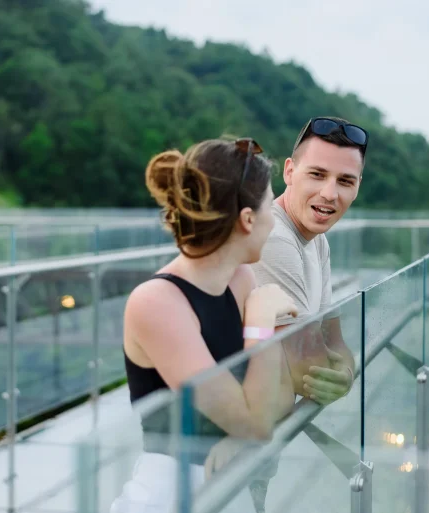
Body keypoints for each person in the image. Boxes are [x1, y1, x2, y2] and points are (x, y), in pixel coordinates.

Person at [111, 137, 299, 513]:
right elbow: (257, 422)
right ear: (247, 220)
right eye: (270, 208)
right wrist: (260, 323)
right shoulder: (158, 303)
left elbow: (280, 397)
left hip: (227, 486)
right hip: (169, 496)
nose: (274, 223)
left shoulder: (240, 278)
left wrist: (239, 437)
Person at [247, 116, 368, 510]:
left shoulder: (317, 243)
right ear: (289, 171)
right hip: (228, 443)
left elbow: (334, 341)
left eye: (345, 181)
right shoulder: (276, 239)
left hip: (260, 438)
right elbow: (308, 370)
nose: (330, 194)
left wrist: (346, 373)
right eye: (317, 174)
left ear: (357, 188)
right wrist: (341, 372)